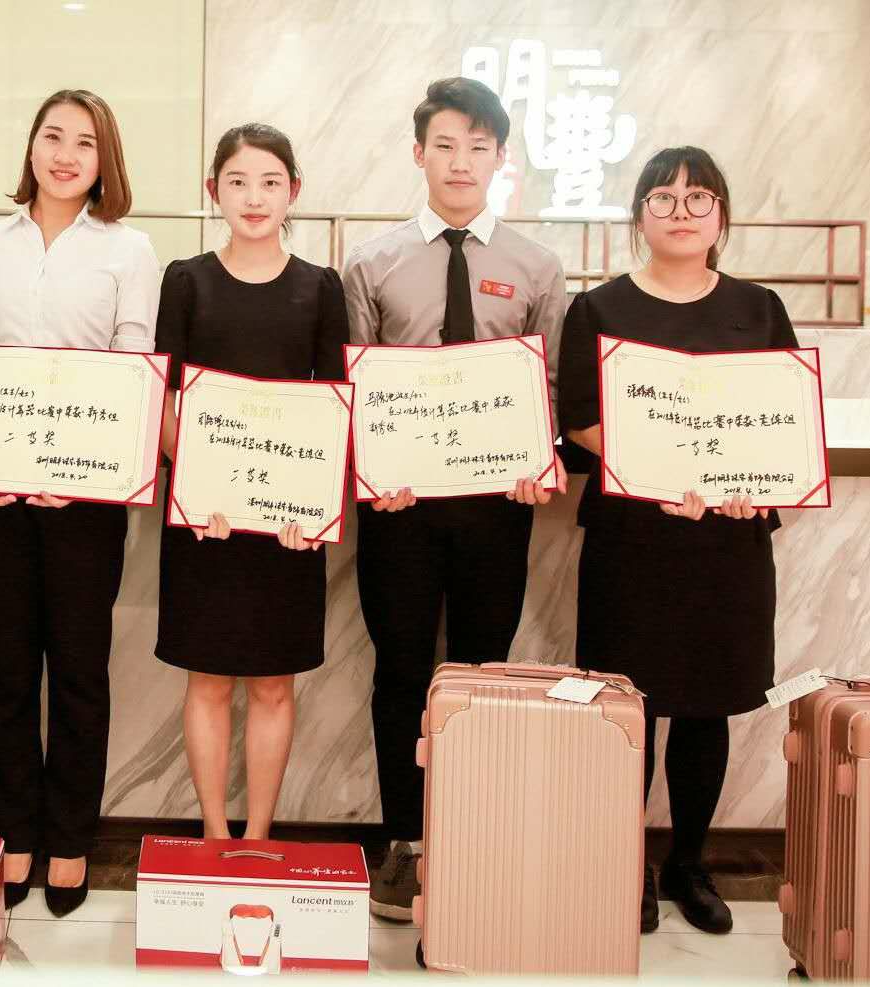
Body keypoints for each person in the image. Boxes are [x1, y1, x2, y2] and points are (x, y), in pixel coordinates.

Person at [340, 77, 567, 921]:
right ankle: (403, 840)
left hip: (495, 509)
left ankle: (470, 836)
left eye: (478, 146)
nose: (460, 161)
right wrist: (373, 467)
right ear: (418, 153)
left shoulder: (538, 267)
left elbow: (549, 387)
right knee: (400, 671)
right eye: (445, 145)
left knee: (481, 671)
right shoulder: (371, 262)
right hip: (399, 510)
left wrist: (539, 458)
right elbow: (354, 388)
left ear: (500, 158)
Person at [558, 146, 794, 936]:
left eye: (699, 198)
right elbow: (577, 418)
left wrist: (749, 481)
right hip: (633, 538)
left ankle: (689, 861)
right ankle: (625, 862)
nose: (682, 211)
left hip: (727, 540)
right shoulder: (599, 309)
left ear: (722, 215)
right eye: (664, 197)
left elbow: (783, 417)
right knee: (630, 704)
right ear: (639, 216)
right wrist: (659, 467)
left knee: (706, 704)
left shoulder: (759, 308)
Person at [0, 89, 161, 915]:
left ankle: (70, 837)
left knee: (78, 669)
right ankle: (18, 831)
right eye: (53, 137)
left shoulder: (128, 250)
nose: (66, 155)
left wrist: (80, 469)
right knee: (5, 669)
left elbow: (134, 369)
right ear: (31, 147)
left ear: (106, 160)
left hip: (87, 496)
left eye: (85, 143)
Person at [155, 124, 348, 841]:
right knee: (206, 680)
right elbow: (164, 397)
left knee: (273, 683)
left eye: (270, 182)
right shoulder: (186, 280)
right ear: (214, 191)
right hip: (204, 519)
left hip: (286, 525)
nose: (254, 197)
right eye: (237, 181)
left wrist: (312, 504)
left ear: (293, 191)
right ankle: (214, 835)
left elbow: (333, 403)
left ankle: (259, 836)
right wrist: (198, 486)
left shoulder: (320, 287)